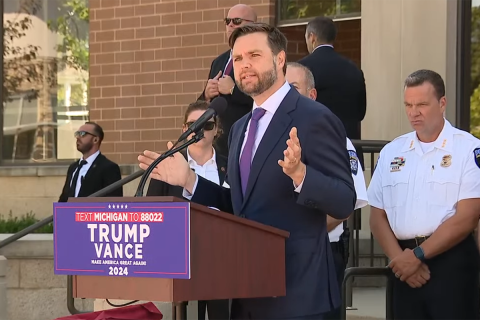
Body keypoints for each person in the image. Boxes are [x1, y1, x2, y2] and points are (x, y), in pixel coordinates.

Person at [139, 23, 356, 320]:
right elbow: (241, 208)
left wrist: (301, 174)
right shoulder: (240, 128)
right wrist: (190, 180)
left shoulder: (314, 118)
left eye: (254, 55)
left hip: (297, 296)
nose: (245, 65)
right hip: (246, 294)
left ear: (279, 60)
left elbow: (344, 200)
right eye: (238, 59)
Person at [367, 69, 480, 320]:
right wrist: (402, 260)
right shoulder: (392, 151)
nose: (413, 112)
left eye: (421, 104)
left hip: (451, 262)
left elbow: (468, 217)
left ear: (442, 103)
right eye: (408, 104)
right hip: (403, 266)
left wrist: (418, 255)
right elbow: (377, 216)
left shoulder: (468, 148)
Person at [286, 62, 369, 320]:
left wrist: (305, 236)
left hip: (322, 252)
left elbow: (348, 201)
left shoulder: (334, 137)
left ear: (312, 95)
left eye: (293, 88)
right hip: (278, 256)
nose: (285, 94)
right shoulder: (266, 135)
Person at [146, 100, 230, 320]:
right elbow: (151, 214)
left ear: (216, 130)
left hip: (224, 262)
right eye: (194, 124)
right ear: (184, 129)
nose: (200, 130)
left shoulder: (231, 166)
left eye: (207, 125)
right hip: (181, 264)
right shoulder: (166, 166)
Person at [298, 17, 366, 166]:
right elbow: (361, 112)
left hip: (315, 151)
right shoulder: (354, 68)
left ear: (312, 37)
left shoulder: (301, 70)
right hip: (350, 149)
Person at [198, 4, 257, 157]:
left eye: (237, 21)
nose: (231, 25)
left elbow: (265, 95)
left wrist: (233, 90)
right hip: (218, 144)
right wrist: (206, 95)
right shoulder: (219, 61)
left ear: (253, 26)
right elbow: (202, 104)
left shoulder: (259, 59)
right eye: (227, 21)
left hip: (245, 139)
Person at [58, 122, 123, 202]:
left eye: (82, 134)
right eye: (77, 134)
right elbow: (64, 198)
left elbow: (113, 201)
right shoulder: (73, 167)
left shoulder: (109, 168)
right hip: (70, 214)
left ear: (95, 139)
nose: (78, 137)